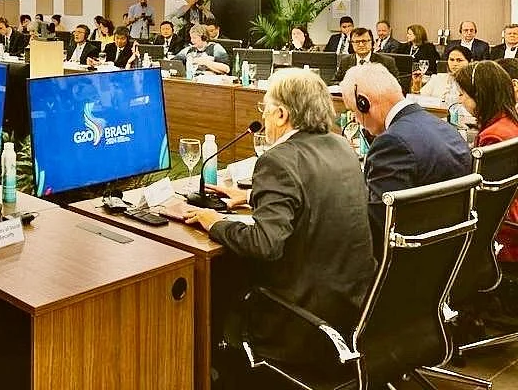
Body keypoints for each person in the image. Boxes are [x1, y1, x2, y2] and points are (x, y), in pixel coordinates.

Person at [177, 68, 374, 373]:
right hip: (353, 309)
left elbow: (265, 245)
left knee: (216, 278)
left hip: (300, 322)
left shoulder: (278, 160)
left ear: (281, 114)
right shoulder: (341, 146)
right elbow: (315, 195)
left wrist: (213, 220)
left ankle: (213, 372)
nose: (264, 116)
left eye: (265, 108)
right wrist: (253, 195)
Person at [340, 63, 471, 249]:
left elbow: (379, 226)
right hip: (449, 249)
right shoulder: (444, 127)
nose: (355, 119)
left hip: (408, 255)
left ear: (364, 103)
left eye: (354, 111)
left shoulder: (391, 143)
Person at [454, 61, 518, 264]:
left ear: (480, 95)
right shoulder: (509, 121)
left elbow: (486, 201)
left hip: (505, 233)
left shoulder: (494, 136)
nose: (460, 99)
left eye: (463, 94)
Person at [333, 27, 398, 83]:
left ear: (371, 42)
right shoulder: (345, 61)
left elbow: (397, 85)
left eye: (364, 41)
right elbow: (334, 82)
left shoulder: (387, 61)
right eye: (357, 42)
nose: (361, 45)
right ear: (351, 44)